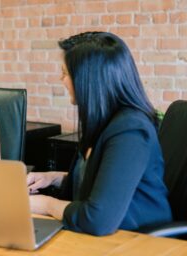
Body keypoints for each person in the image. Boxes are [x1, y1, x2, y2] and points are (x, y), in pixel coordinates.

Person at [27, 32, 172, 235]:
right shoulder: (104, 121)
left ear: (88, 79)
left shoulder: (131, 131)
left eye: (65, 73)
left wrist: (46, 205)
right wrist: (54, 178)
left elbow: (97, 219)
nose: (61, 80)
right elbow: (101, 180)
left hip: (139, 240)